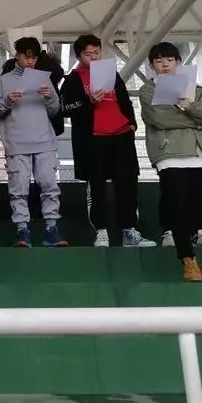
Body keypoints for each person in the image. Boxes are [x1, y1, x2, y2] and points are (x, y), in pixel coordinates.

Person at [139, 42, 202, 282]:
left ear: (178, 62)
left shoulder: (194, 88)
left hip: (200, 154)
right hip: (169, 155)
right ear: (152, 66)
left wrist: (189, 106)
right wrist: (194, 118)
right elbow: (160, 118)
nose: (165, 65)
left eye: (170, 60)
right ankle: (189, 262)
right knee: (178, 210)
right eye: (159, 61)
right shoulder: (148, 90)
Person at [60, 34, 155, 248]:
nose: (94, 57)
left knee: (127, 184)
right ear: (78, 57)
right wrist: (89, 101)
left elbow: (125, 100)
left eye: (97, 52)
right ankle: (101, 232)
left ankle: (129, 231)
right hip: (92, 140)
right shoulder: (72, 80)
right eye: (88, 54)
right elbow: (64, 108)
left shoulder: (111, 73)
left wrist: (131, 124)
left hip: (121, 135)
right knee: (97, 188)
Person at [0, 37, 67, 248]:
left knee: (50, 185)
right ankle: (22, 230)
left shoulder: (44, 78)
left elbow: (54, 110)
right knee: (19, 189)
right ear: (17, 56)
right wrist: (7, 101)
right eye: (26, 57)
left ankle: (51, 229)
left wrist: (50, 97)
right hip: (16, 143)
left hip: (44, 141)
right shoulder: (4, 80)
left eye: (34, 58)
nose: (30, 61)